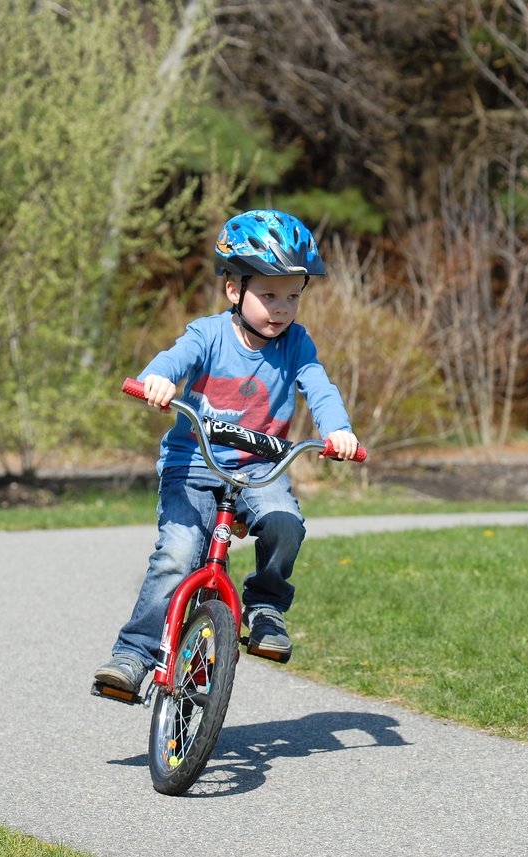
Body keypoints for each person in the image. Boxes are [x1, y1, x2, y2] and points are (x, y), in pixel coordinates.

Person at [95, 209, 360, 694]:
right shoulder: (209, 333)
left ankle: (265, 607)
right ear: (234, 290)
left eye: (292, 296)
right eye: (269, 295)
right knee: (177, 556)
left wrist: (338, 430)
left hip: (261, 470)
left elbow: (319, 387)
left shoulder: (296, 344)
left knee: (286, 523)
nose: (281, 308)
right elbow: (177, 357)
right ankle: (133, 655)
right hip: (194, 466)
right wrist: (159, 377)